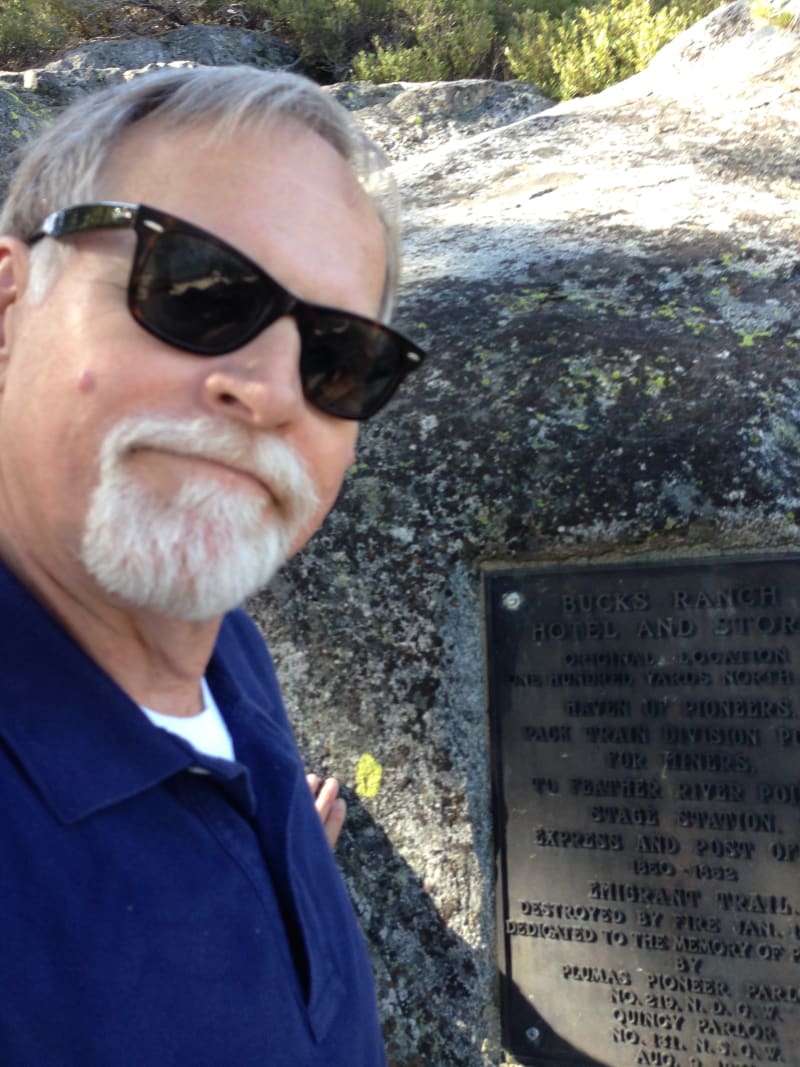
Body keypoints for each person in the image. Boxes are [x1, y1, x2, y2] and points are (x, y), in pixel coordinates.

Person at [0, 64, 426, 1065]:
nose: (273, 390)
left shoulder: (230, 661)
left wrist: (264, 875)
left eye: (340, 355)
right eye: (197, 288)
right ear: (10, 303)